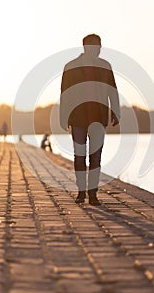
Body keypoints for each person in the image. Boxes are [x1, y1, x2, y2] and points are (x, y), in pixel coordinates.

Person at [60, 34, 120, 205]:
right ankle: (81, 192)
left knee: (96, 157)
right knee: (79, 155)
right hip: (77, 117)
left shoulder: (105, 66)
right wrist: (63, 116)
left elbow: (112, 90)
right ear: (85, 47)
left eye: (100, 46)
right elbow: (65, 93)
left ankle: (93, 194)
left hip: (98, 117)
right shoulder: (71, 66)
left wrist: (116, 111)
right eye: (95, 47)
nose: (98, 50)